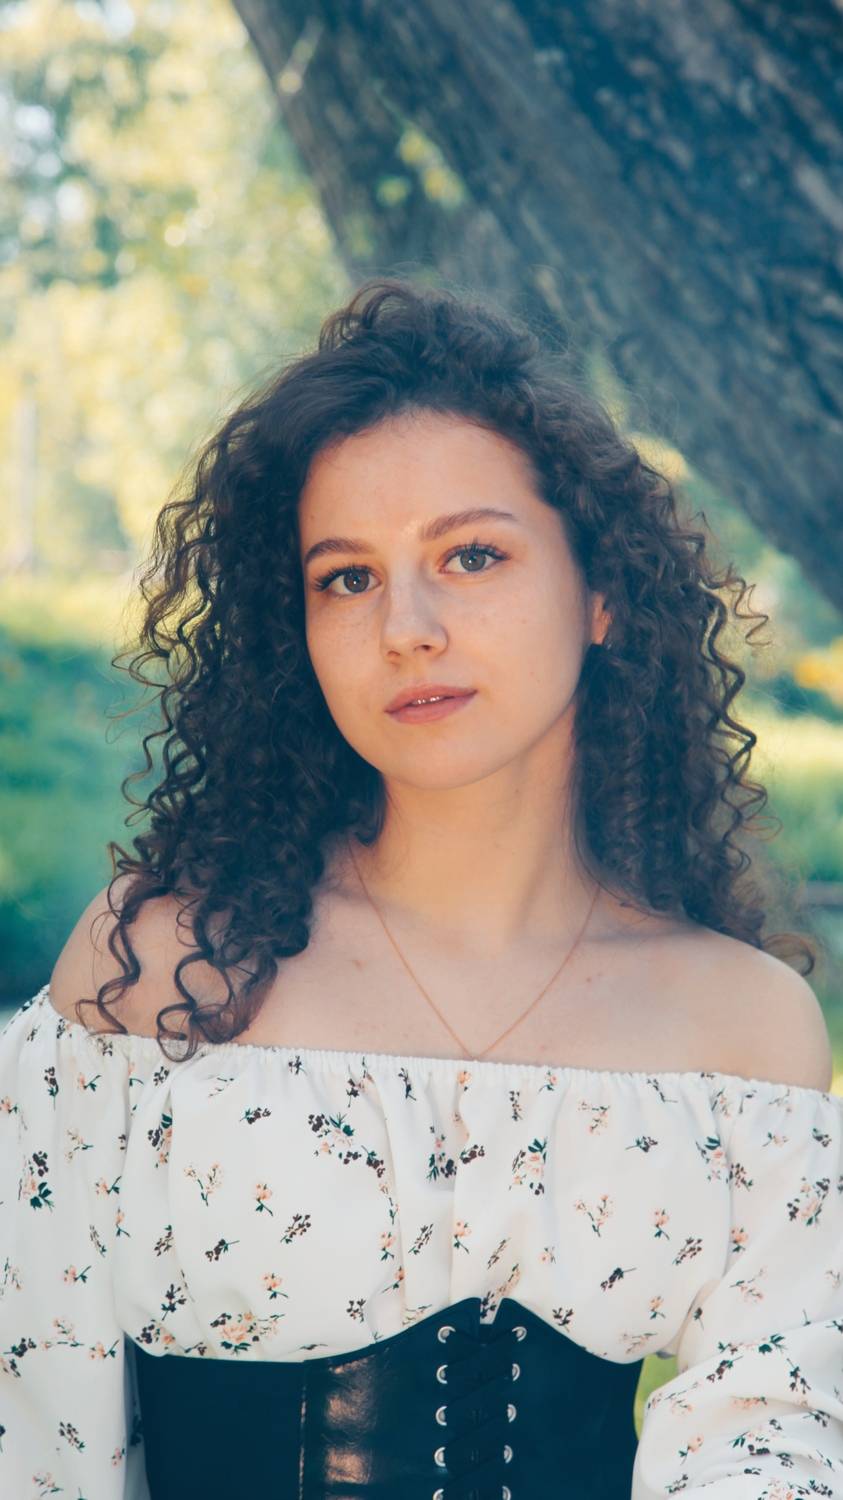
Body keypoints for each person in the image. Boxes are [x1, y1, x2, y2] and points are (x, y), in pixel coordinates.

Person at [1, 277, 841, 1500]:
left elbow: (771, 1454)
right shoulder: (162, 971)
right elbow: (33, 1429)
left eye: (472, 556)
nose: (407, 626)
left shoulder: (742, 1032)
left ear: (602, 594)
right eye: (346, 577)